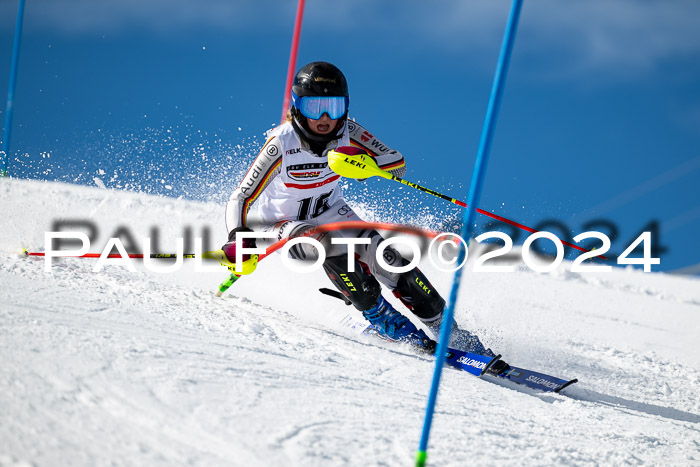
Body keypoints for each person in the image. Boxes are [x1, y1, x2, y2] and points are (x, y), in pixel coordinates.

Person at [222, 61, 497, 359]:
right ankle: (381, 318)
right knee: (323, 240)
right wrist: (238, 238)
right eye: (315, 108)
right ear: (298, 107)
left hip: (331, 210)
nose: (326, 118)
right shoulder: (281, 144)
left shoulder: (348, 132)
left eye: (334, 107)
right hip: (282, 223)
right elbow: (242, 196)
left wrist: (366, 167)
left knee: (388, 258)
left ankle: (447, 329)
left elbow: (396, 161)